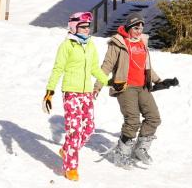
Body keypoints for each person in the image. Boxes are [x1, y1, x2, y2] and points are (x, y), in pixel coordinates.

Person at [98, 14, 177, 167]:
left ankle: (140, 148)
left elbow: (146, 67)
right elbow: (106, 65)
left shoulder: (142, 43)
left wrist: (159, 81)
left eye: (141, 27)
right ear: (128, 27)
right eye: (136, 27)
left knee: (154, 117)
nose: (139, 30)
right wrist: (97, 87)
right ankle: (121, 154)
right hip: (125, 87)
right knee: (132, 121)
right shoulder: (118, 43)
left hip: (143, 87)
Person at [43, 11, 110, 182]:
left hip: (86, 92)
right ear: (74, 27)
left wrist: (109, 83)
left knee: (88, 128)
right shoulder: (67, 46)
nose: (87, 29)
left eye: (88, 26)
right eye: (83, 26)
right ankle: (70, 166)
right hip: (71, 92)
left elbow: (95, 68)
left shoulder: (91, 45)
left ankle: (66, 150)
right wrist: (50, 92)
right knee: (74, 130)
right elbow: (58, 69)